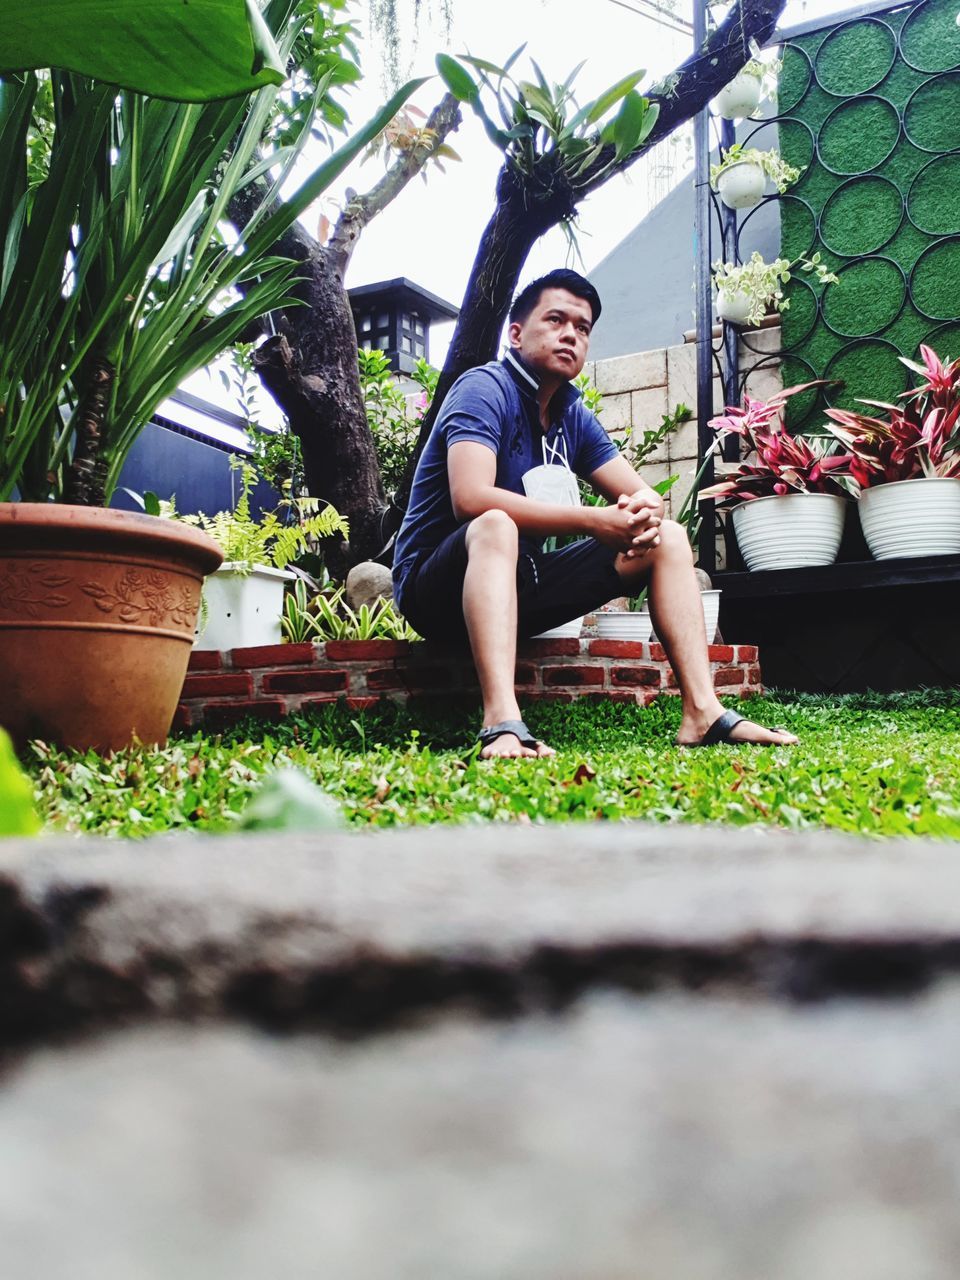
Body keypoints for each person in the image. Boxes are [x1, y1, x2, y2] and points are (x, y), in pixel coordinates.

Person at [392, 269, 797, 758]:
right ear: (516, 334)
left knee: (666, 537)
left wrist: (643, 510)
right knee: (495, 524)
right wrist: (594, 520)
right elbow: (471, 498)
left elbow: (644, 495)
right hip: (435, 589)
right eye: (556, 320)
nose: (571, 335)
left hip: (522, 584)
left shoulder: (570, 415)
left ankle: (703, 713)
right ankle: (501, 723)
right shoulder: (484, 388)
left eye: (582, 328)